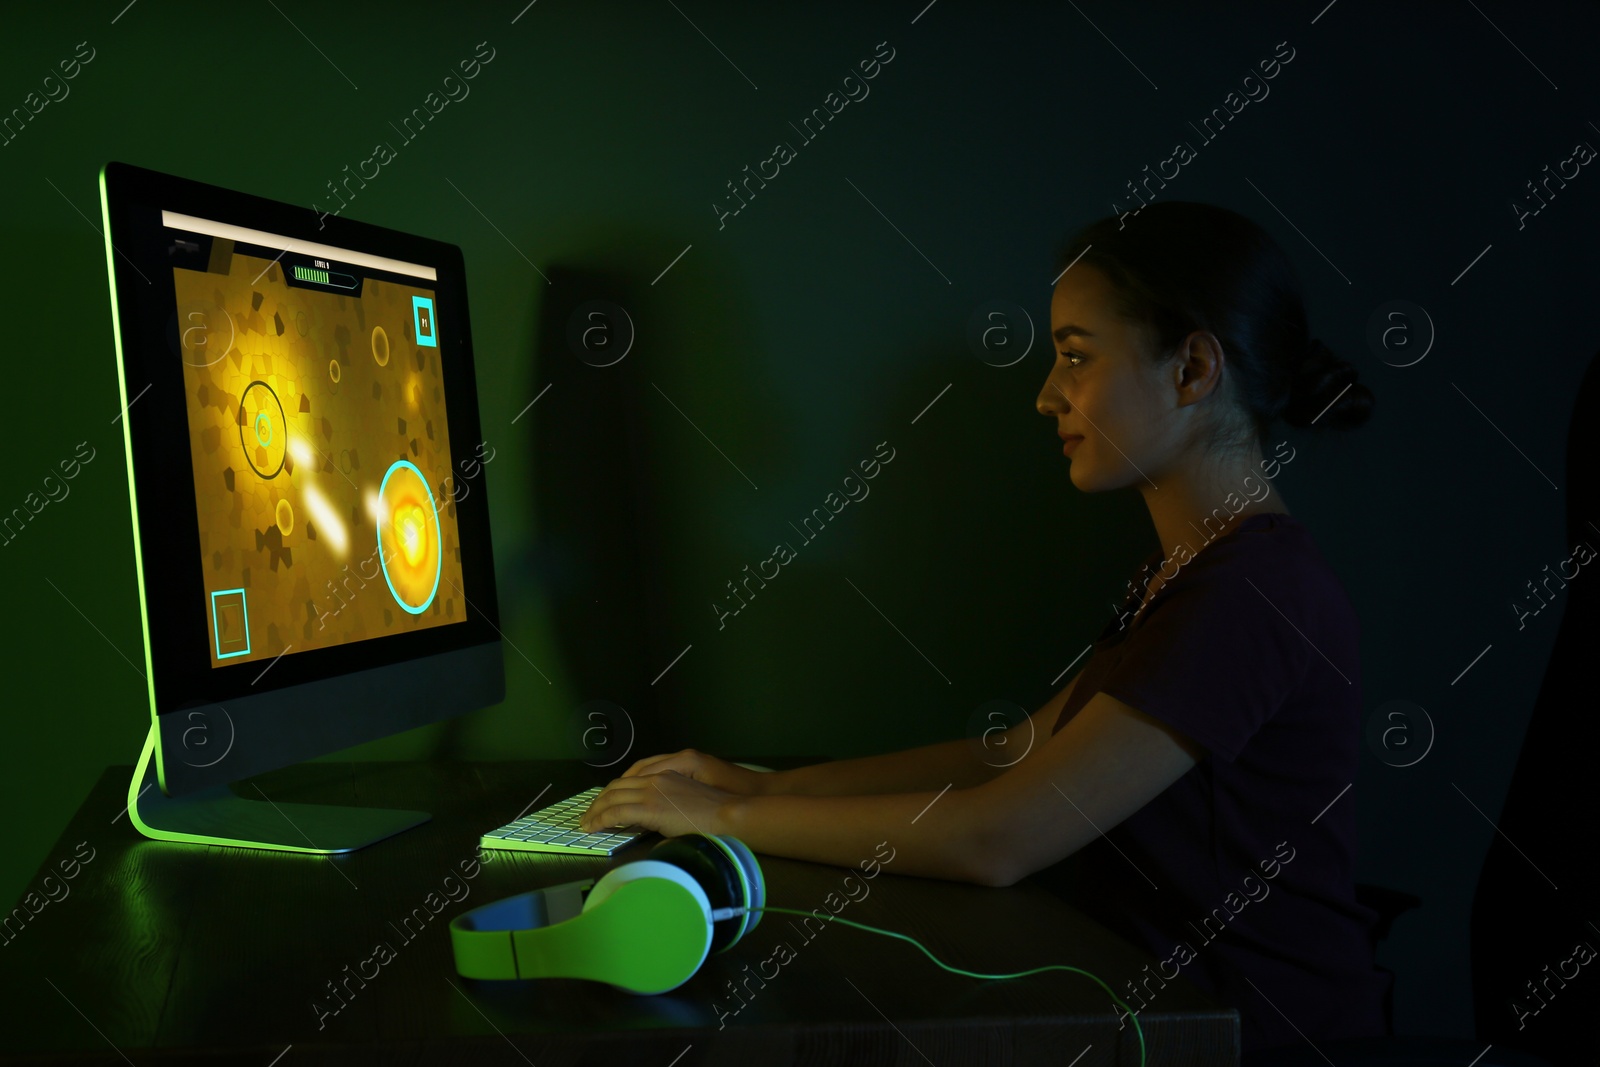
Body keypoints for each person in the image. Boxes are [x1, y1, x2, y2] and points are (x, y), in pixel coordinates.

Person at [579, 200, 1390, 1054]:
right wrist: (757, 787)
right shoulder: (1189, 575)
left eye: (1076, 357)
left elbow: (1001, 836)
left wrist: (717, 818)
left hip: (1255, 1039)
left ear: (1191, 369)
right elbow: (1018, 750)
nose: (1047, 395)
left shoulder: (1254, 594)